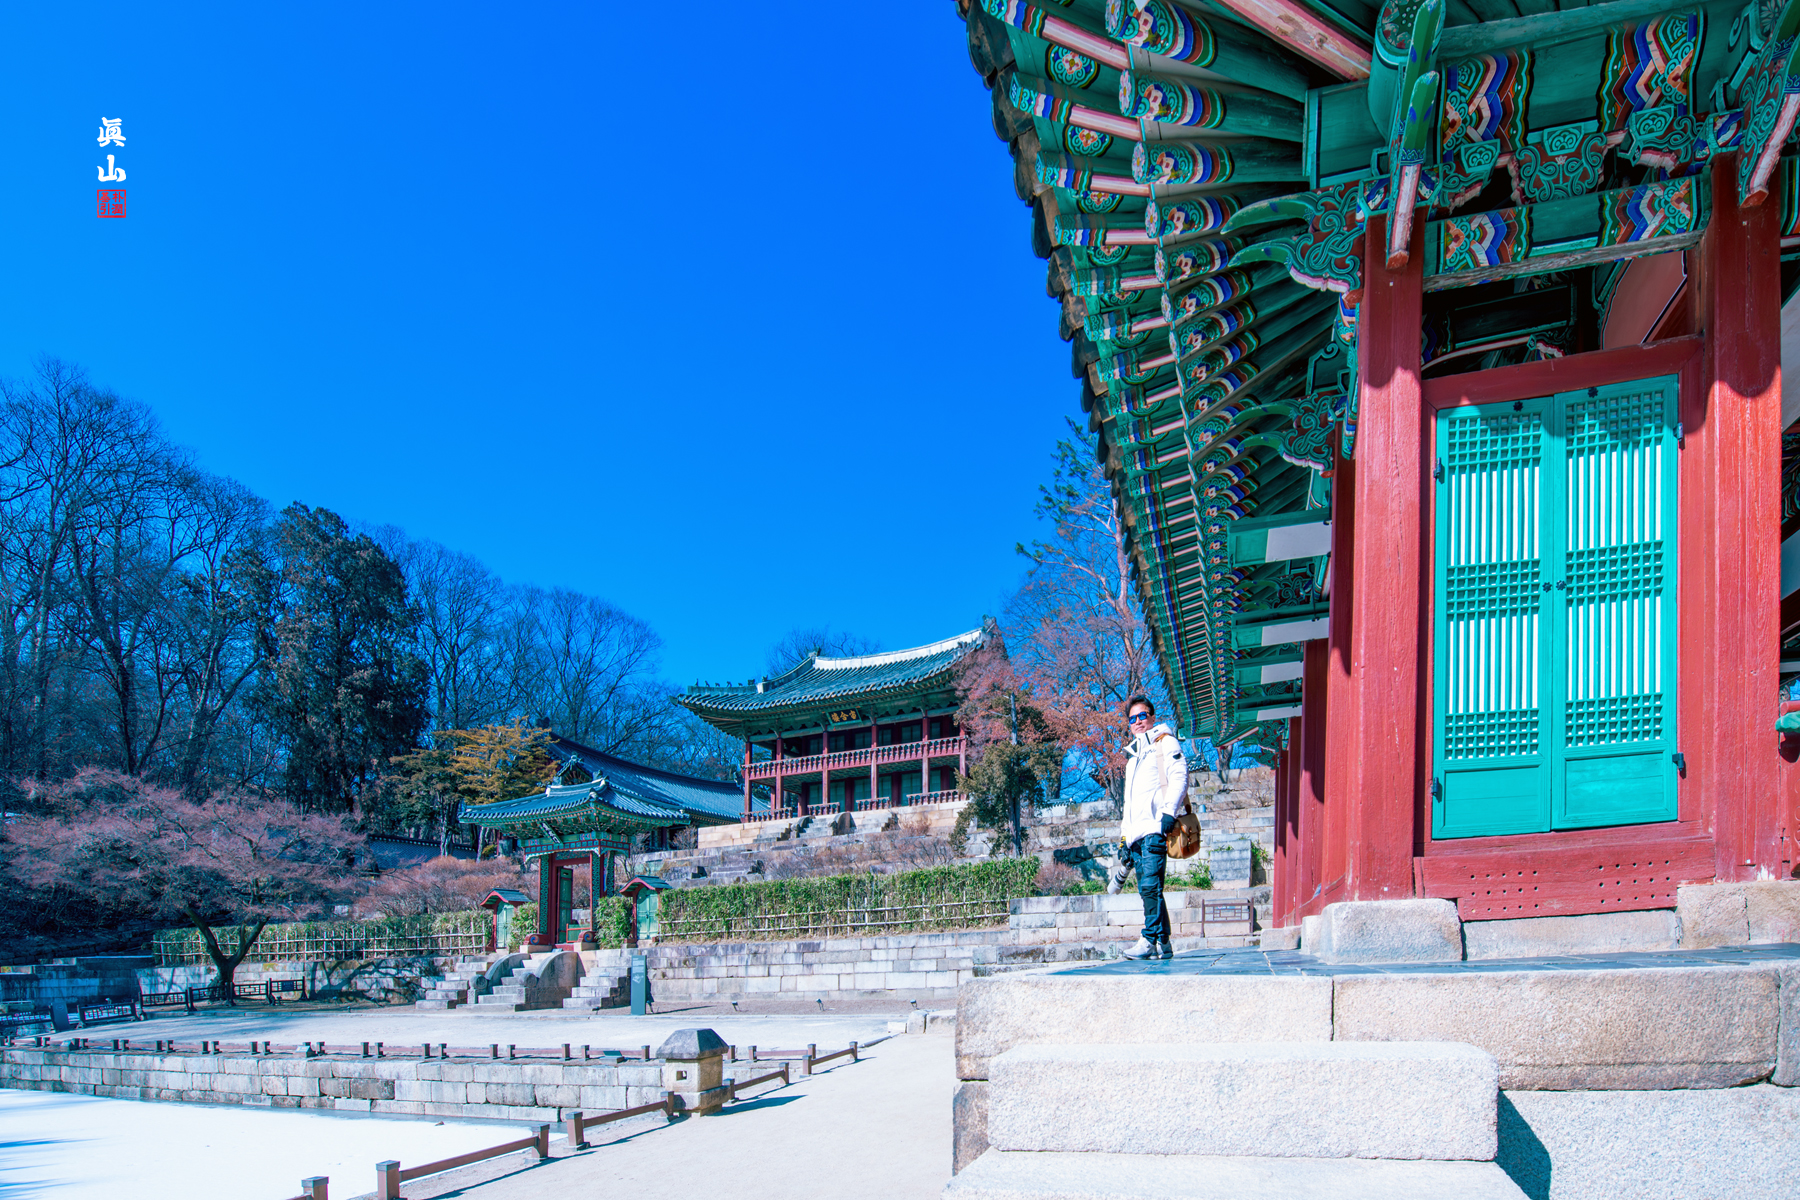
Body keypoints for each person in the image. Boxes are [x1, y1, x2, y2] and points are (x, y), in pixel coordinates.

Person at [1108, 695, 1188, 960]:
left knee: (1150, 887)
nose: (1138, 722)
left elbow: (1180, 774)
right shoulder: (1133, 757)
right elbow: (1129, 804)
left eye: (1142, 716)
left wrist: (1169, 812)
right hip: (1136, 836)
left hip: (1155, 828)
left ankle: (1148, 940)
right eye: (1132, 719)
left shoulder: (1165, 742)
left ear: (1152, 717)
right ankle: (1164, 942)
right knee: (1148, 889)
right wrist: (1124, 839)